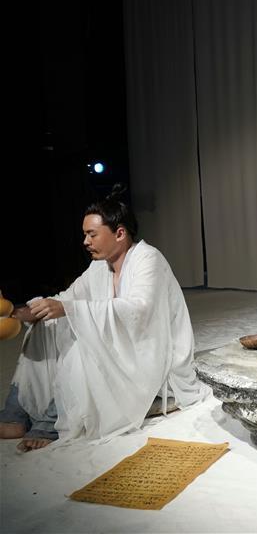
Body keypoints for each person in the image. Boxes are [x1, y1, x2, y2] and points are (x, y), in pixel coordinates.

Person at [0, 186, 206, 451]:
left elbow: (139, 310)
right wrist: (21, 313)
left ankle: (49, 423)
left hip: (150, 356)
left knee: (83, 342)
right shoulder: (99, 266)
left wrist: (69, 310)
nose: (85, 241)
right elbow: (67, 298)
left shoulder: (148, 258)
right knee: (45, 326)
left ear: (120, 233)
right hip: (123, 349)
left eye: (92, 234)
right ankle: (15, 415)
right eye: (85, 234)